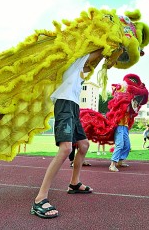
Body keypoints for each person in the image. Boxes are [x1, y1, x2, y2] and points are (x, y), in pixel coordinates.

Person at [31, 50, 110, 219]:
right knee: (66, 149)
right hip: (64, 102)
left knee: (84, 145)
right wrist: (114, 46)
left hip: (73, 105)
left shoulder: (80, 67)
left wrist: (118, 54)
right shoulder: (75, 58)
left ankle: (74, 184)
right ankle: (40, 198)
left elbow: (93, 66)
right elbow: (98, 53)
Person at [108, 98, 139, 172]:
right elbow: (126, 109)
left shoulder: (131, 107)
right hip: (119, 126)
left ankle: (120, 161)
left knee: (127, 146)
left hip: (125, 127)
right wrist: (132, 104)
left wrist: (134, 105)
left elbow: (133, 112)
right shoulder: (123, 104)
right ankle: (112, 165)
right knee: (120, 144)